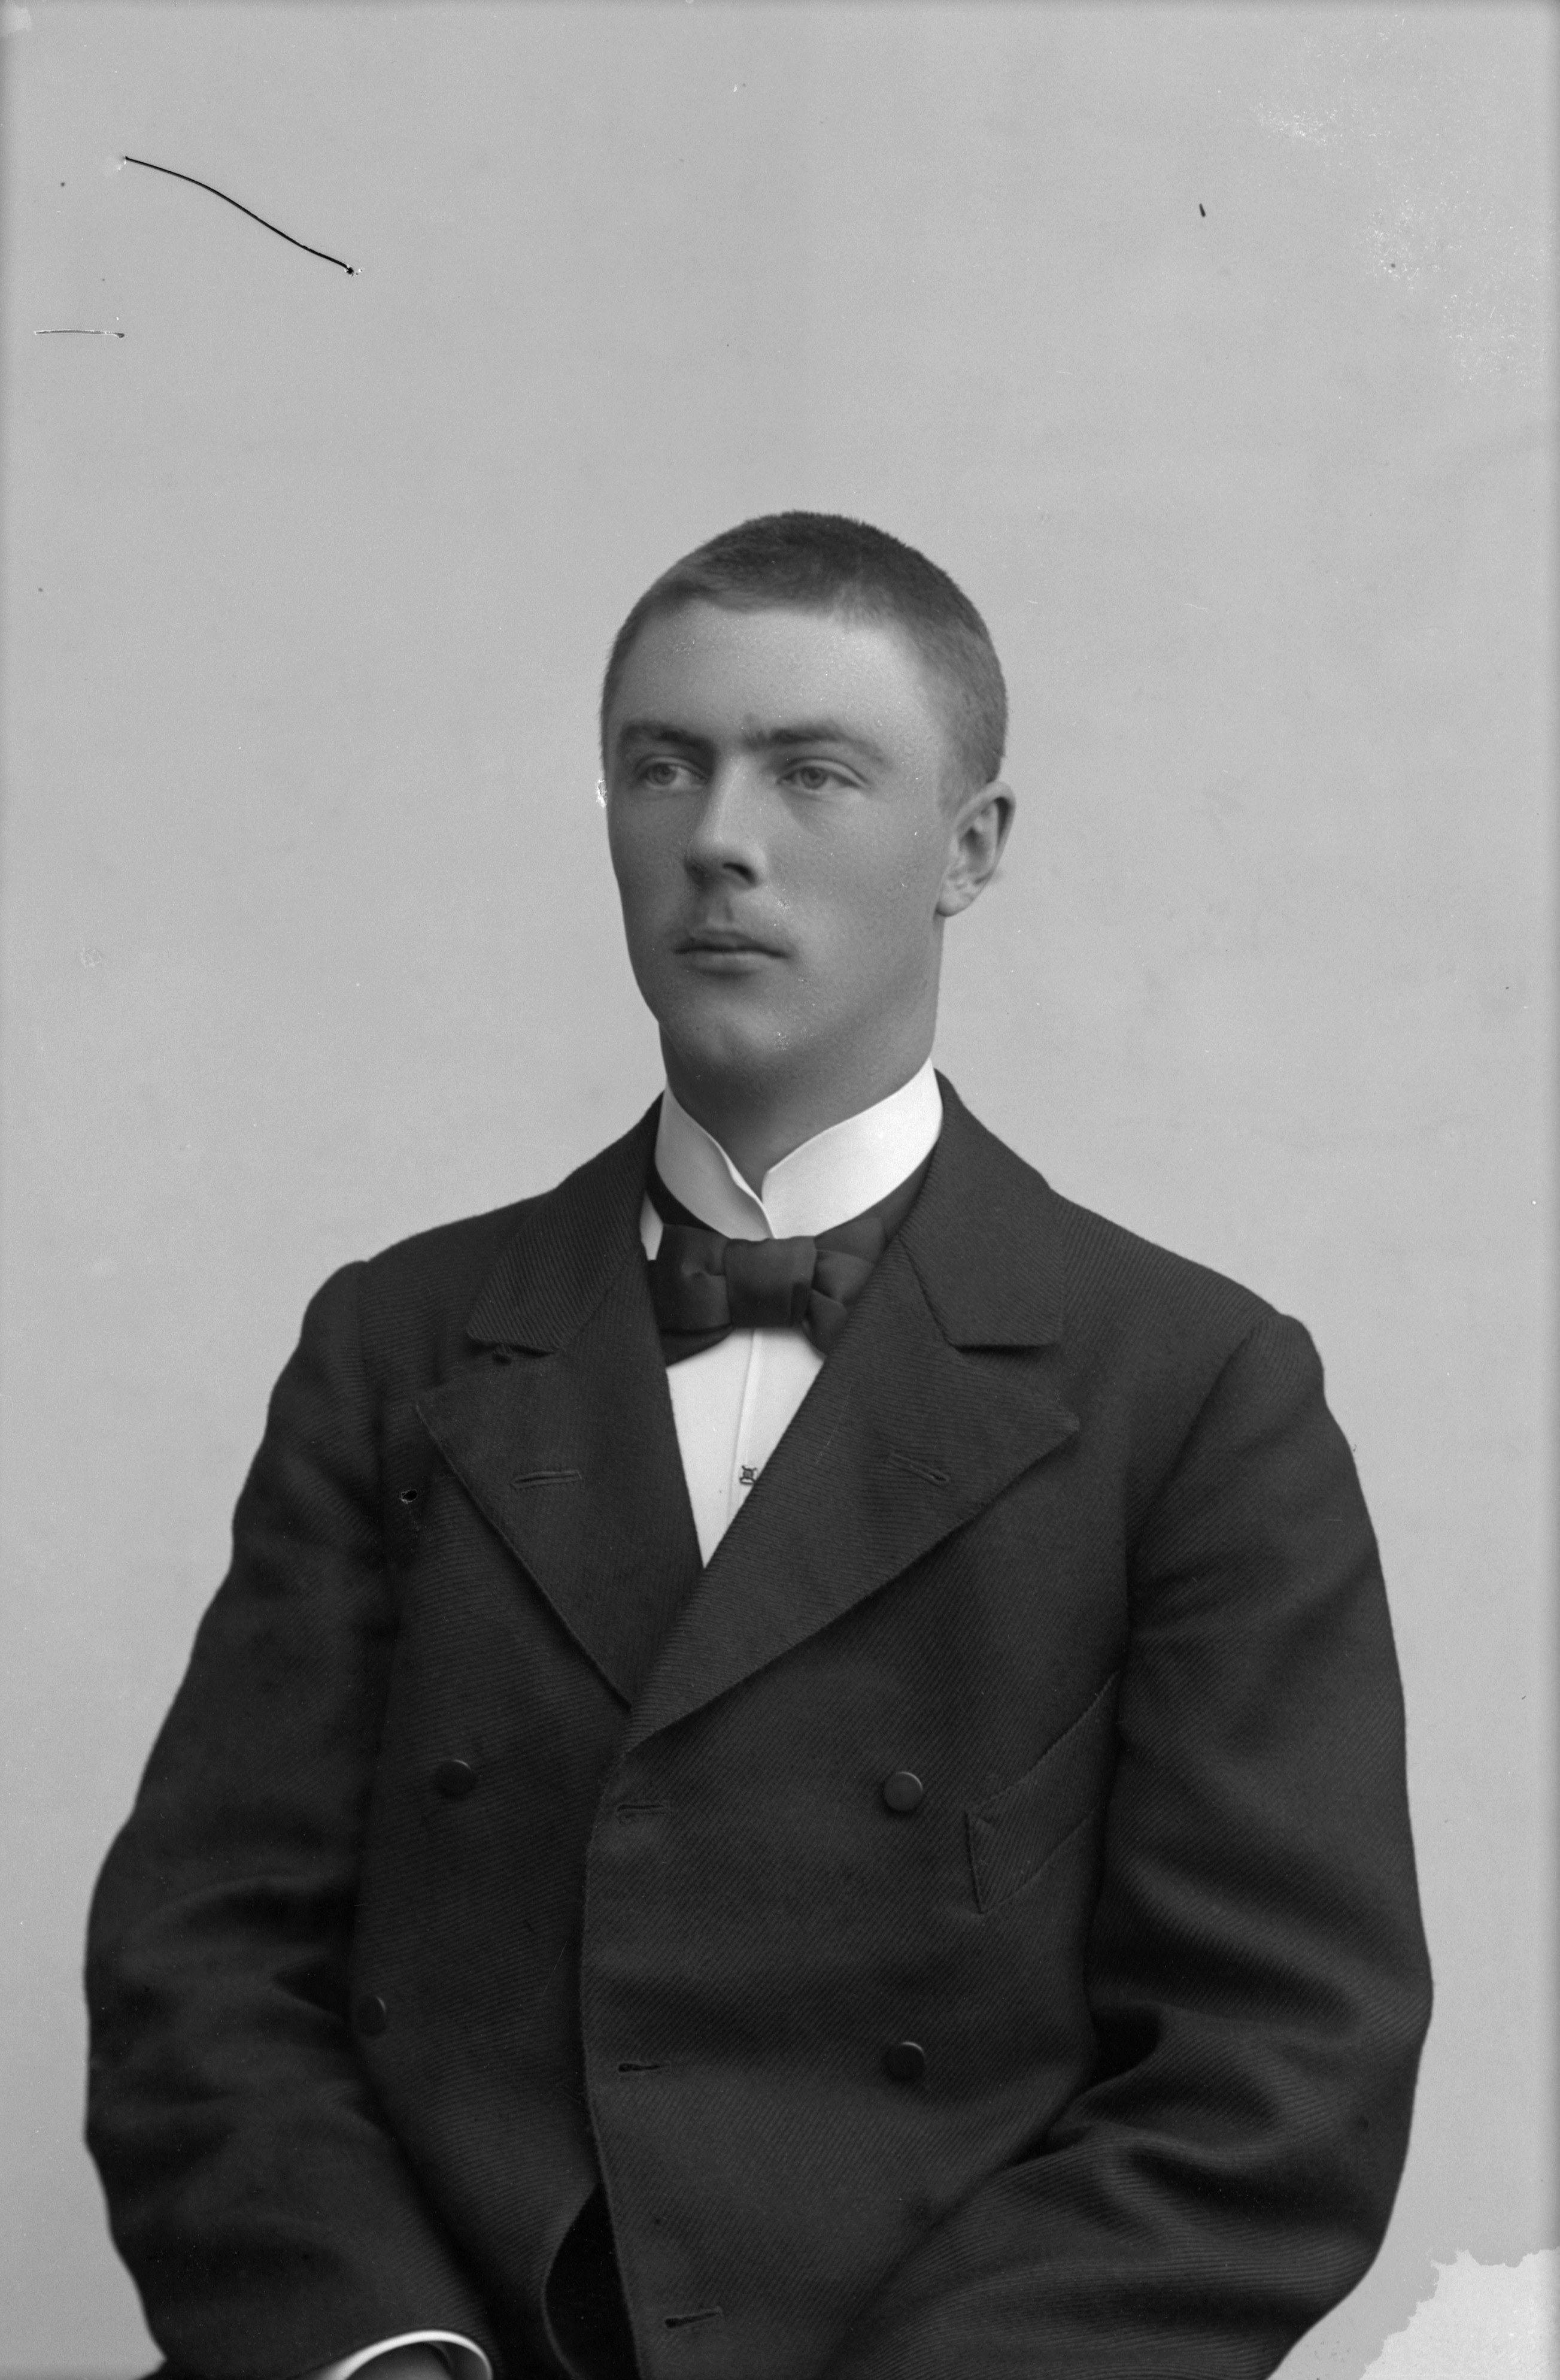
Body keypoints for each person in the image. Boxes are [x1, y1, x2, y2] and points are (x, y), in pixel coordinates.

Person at [86, 513, 1432, 2380]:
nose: (720, 836)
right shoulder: (397, 1344)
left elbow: (1276, 2074)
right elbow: (206, 1960)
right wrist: (380, 2351)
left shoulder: (1196, 1392)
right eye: (664, 765)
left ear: (972, 848)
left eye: (814, 772)